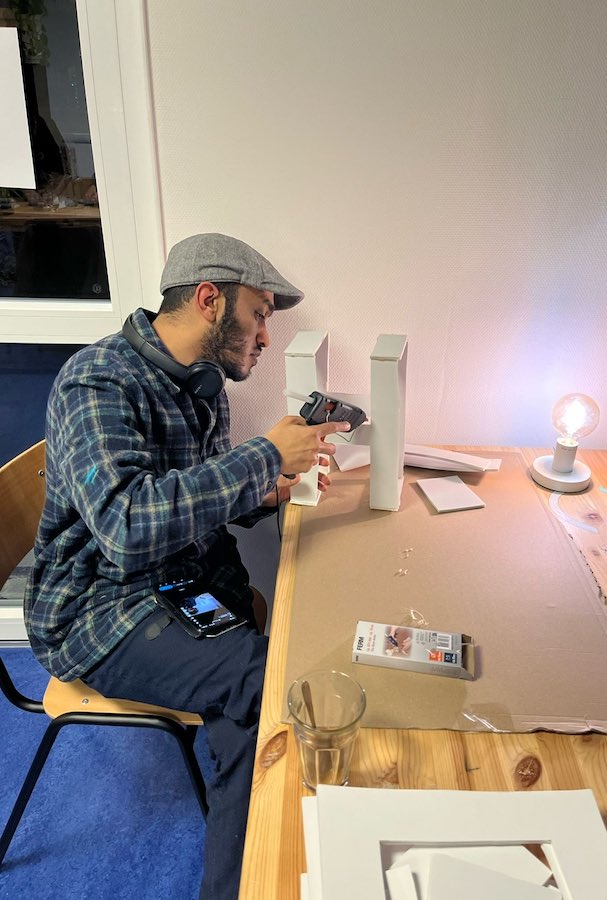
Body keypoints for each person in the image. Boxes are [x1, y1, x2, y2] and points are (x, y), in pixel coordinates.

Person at [24, 233, 350, 899]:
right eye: (259, 314)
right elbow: (126, 527)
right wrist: (263, 455)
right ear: (209, 300)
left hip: (178, 586)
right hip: (97, 611)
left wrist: (267, 491)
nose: (265, 336)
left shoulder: (202, 386)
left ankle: (256, 862)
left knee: (260, 694)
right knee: (266, 679)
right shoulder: (97, 382)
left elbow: (192, 499)